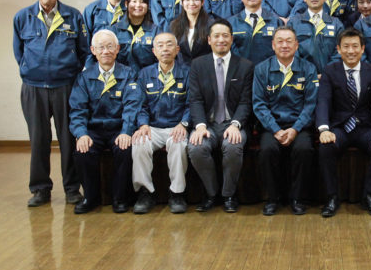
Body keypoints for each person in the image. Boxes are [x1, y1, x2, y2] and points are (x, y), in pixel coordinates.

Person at [13, 0, 87, 207]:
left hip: (66, 86)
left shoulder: (73, 16)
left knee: (69, 138)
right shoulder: (22, 17)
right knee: (38, 140)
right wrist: (32, 71)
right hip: (34, 88)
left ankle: (72, 188)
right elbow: (19, 53)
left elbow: (84, 52)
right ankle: (40, 189)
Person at [316, 29, 371, 217]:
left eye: (355, 46)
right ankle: (332, 197)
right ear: (338, 49)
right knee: (326, 147)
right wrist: (324, 129)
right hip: (339, 127)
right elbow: (323, 101)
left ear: (363, 48)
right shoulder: (330, 71)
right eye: (346, 47)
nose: (351, 51)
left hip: (364, 127)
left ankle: (370, 196)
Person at [69, 29, 143, 214]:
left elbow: (132, 106)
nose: (106, 51)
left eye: (110, 46)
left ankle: (120, 198)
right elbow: (77, 110)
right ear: (93, 50)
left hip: (118, 127)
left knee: (125, 149)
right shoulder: (84, 77)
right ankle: (90, 197)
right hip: (93, 129)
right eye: (101, 47)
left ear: (118, 49)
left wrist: (127, 131)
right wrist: (81, 134)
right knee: (82, 151)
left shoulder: (128, 74)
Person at [187, 19, 254, 213]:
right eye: (216, 36)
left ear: (232, 39)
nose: (221, 40)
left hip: (233, 123)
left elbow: (245, 102)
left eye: (225, 36)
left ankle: (228, 195)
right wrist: (199, 125)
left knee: (233, 146)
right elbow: (196, 99)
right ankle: (211, 193)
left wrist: (236, 124)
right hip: (207, 123)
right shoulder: (198, 65)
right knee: (196, 147)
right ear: (209, 40)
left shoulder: (245, 66)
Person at [253, 26, 318, 215]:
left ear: (297, 45)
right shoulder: (262, 69)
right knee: (267, 150)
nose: (284, 45)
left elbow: (311, 104)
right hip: (271, 126)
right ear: (273, 45)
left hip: (300, 125)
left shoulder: (308, 68)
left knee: (304, 149)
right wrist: (276, 130)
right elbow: (259, 104)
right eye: (280, 41)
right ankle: (273, 199)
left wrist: (295, 129)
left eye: (289, 41)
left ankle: (297, 198)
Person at [131, 32, 190, 214]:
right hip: (153, 127)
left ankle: (177, 193)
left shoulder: (187, 73)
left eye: (169, 45)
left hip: (177, 126)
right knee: (139, 143)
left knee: (178, 145)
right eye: (160, 46)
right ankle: (146, 193)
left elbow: (192, 103)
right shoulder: (144, 74)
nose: (165, 49)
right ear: (154, 51)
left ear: (177, 49)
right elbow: (139, 104)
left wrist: (184, 124)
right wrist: (143, 124)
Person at [287, 0, 344, 75]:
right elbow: (290, 50)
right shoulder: (294, 22)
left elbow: (340, 51)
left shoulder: (336, 23)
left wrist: (327, 73)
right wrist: (307, 72)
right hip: (302, 76)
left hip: (329, 77)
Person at [227, 0, 284, 66]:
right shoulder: (231, 23)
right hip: (240, 73)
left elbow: (281, 51)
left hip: (267, 74)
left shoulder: (276, 21)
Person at [112, 0, 161, 73]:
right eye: (134, 1)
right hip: (120, 79)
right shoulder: (115, 30)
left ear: (147, 5)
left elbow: (160, 59)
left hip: (146, 78)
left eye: (142, 2)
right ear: (126, 4)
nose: (138, 5)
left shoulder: (155, 31)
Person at [169, 0, 214, 65]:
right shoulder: (174, 25)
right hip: (182, 72)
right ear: (182, 2)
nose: (192, 3)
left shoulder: (211, 25)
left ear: (202, 2)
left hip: (204, 70)